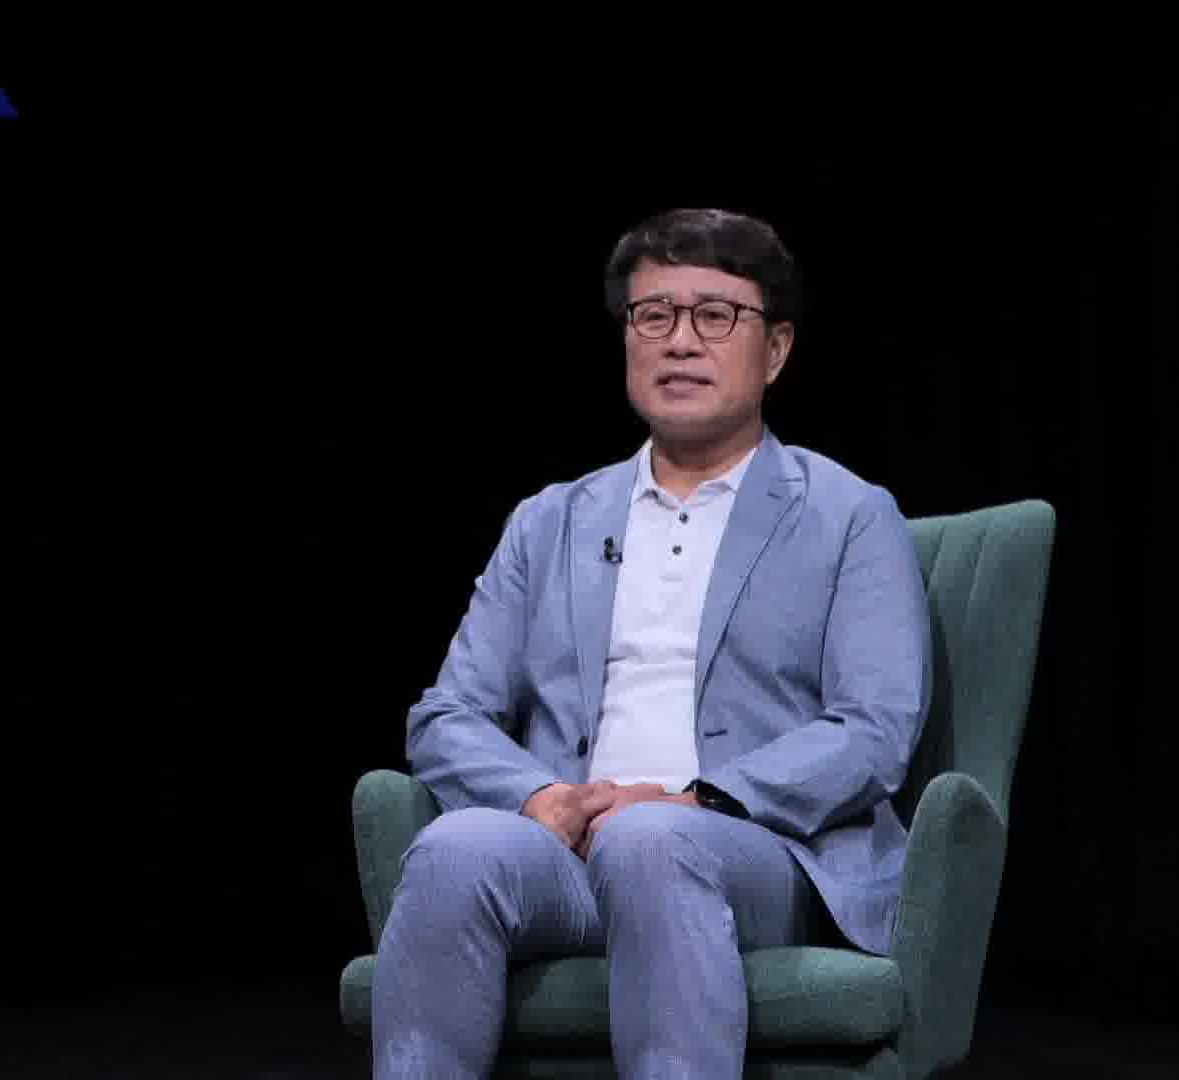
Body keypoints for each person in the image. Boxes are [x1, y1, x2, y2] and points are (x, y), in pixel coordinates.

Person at [370, 208, 933, 1079]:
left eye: (716, 315)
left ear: (775, 350)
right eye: (654, 314)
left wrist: (696, 801)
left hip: (754, 849)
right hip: (566, 847)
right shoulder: (550, 521)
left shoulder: (849, 515)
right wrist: (541, 797)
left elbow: (873, 729)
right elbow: (447, 716)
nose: (681, 341)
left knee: (652, 842)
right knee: (453, 851)